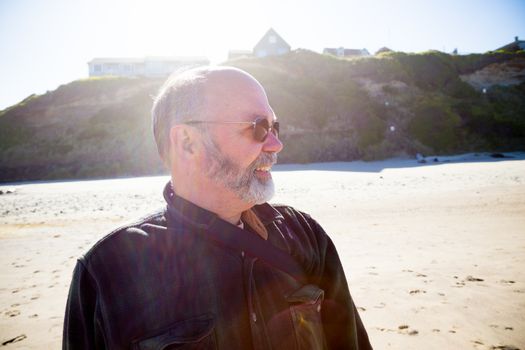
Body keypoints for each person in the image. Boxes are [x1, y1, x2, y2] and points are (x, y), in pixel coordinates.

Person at [63, 66, 372, 349]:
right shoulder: (109, 271)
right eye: (258, 127)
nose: (276, 145)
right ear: (187, 142)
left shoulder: (305, 237)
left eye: (275, 127)